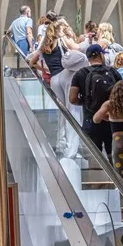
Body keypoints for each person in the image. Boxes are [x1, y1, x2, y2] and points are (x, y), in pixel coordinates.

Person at [31, 21, 83, 156]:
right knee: (72, 110)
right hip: (66, 75)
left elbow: (31, 62)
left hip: (54, 79)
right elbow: (77, 48)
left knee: (61, 112)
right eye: (60, 29)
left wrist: (46, 69)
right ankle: (73, 148)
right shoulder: (61, 41)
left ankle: (61, 144)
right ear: (56, 31)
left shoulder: (43, 46)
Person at [70, 45, 122, 157]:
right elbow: (122, 94)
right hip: (111, 119)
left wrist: (85, 101)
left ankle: (96, 174)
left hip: (90, 118)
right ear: (101, 55)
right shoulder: (112, 72)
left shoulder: (80, 74)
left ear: (88, 58)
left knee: (94, 158)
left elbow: (72, 99)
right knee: (115, 156)